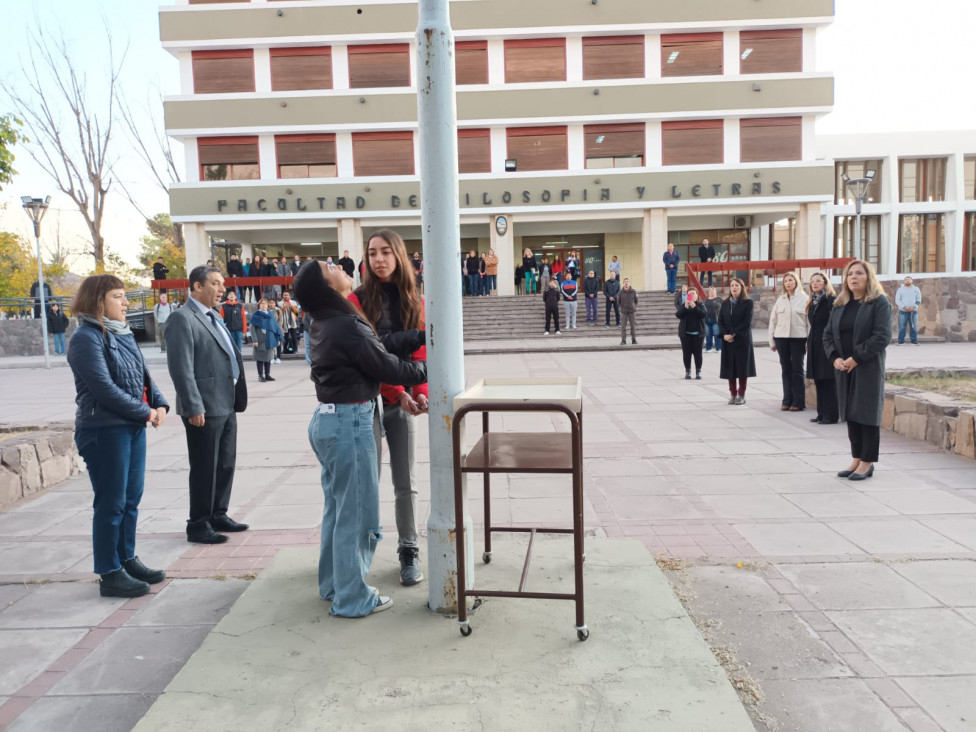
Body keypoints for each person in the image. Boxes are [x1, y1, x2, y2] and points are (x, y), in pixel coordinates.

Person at [294, 259, 427, 618]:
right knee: (356, 513)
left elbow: (376, 344)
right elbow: (385, 364)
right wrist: (428, 368)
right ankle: (353, 598)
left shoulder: (326, 320)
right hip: (350, 423)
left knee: (338, 510)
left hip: (330, 420)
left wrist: (417, 336)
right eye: (329, 266)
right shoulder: (344, 323)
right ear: (326, 285)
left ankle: (334, 584)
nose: (339, 264)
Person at [67, 274, 170, 598]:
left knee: (130, 500)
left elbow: (142, 376)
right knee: (111, 503)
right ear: (98, 302)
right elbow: (104, 390)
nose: (126, 303)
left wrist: (160, 402)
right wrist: (146, 413)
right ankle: (109, 573)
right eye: (118, 297)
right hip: (103, 431)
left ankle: (126, 558)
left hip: (130, 428)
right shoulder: (86, 338)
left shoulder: (122, 333)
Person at [349, 229, 430, 586]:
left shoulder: (417, 301)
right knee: (365, 482)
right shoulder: (357, 300)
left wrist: (422, 392)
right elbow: (368, 357)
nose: (378, 259)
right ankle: (356, 554)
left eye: (385, 252)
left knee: (405, 481)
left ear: (399, 255)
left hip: (402, 401)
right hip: (364, 400)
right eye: (372, 253)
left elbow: (422, 354)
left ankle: (409, 550)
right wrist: (400, 392)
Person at [165, 265, 248, 545]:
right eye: (215, 283)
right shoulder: (182, 319)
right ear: (197, 287)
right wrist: (193, 405)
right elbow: (181, 368)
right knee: (204, 466)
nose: (222, 289)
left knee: (225, 463)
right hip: (204, 407)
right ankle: (198, 523)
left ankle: (218, 513)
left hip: (226, 402)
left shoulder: (214, 316)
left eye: (222, 283)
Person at [823, 260, 892, 481]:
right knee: (851, 414)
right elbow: (827, 335)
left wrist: (857, 357)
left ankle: (867, 462)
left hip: (867, 367)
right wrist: (835, 359)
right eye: (850, 274)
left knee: (867, 414)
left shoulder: (879, 303)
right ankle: (856, 458)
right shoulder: (840, 303)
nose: (853, 277)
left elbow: (882, 336)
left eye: (859, 273)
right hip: (843, 368)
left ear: (868, 277)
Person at [768, 271, 810, 412]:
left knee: (797, 369)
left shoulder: (804, 299)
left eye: (790, 280)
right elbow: (773, 321)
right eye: (785, 281)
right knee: (785, 369)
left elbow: (809, 322)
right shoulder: (781, 299)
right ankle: (787, 399)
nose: (788, 283)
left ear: (796, 281)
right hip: (781, 338)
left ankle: (798, 401)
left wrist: (808, 341)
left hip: (799, 338)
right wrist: (772, 341)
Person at [806, 272, 838, 425]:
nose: (815, 283)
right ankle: (821, 412)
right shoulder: (812, 301)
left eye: (818, 281)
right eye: (812, 281)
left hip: (827, 343)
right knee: (819, 379)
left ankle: (831, 414)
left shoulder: (831, 300)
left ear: (825, 283)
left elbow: (834, 323)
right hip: (814, 343)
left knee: (828, 379)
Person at [718, 278, 756, 405]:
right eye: (732, 285)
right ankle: (733, 394)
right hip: (728, 341)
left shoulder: (748, 302)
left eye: (737, 285)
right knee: (730, 368)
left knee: (742, 368)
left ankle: (741, 394)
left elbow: (747, 321)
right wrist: (725, 334)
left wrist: (733, 333)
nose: (734, 287)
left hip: (742, 339)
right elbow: (721, 321)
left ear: (742, 287)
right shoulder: (725, 303)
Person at [250, 298, 282, 382]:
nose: (264, 305)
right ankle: (260, 375)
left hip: (270, 339)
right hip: (260, 340)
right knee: (260, 358)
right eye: (262, 304)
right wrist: (255, 340)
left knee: (268, 357)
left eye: (265, 304)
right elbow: (252, 328)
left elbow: (275, 327)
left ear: (268, 305)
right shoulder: (256, 315)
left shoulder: (270, 314)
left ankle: (267, 374)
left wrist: (277, 338)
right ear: (259, 305)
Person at [677, 288, 706, 379]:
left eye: (693, 293)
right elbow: (678, 315)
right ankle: (688, 371)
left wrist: (694, 307)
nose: (692, 295)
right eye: (689, 294)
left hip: (698, 334)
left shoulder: (700, 305)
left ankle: (698, 371)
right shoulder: (683, 305)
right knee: (686, 353)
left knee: (698, 353)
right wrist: (685, 306)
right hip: (685, 334)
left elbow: (703, 314)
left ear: (697, 295)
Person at [895, 275, 922, 346]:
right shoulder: (900, 289)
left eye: (909, 279)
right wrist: (904, 307)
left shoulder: (916, 289)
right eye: (906, 279)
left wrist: (914, 307)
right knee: (902, 326)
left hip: (913, 311)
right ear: (904, 281)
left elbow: (918, 300)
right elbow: (897, 300)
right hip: (903, 311)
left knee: (914, 326)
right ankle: (901, 341)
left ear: (912, 281)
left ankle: (914, 341)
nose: (908, 280)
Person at [619, 277, 638, 345]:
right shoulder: (620, 292)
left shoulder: (633, 291)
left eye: (627, 281)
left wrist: (634, 306)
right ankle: (623, 340)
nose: (626, 283)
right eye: (625, 281)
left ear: (629, 283)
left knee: (633, 326)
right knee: (623, 327)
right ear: (623, 283)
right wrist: (622, 308)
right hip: (624, 312)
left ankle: (634, 339)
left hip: (632, 311)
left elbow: (636, 301)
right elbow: (619, 302)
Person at [704, 286, 722, 353]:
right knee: (708, 334)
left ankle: (719, 348)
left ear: (715, 291)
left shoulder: (719, 299)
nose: (711, 292)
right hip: (707, 319)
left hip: (716, 320)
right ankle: (709, 348)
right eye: (710, 291)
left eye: (713, 291)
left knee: (717, 334)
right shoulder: (706, 300)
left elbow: (724, 309)